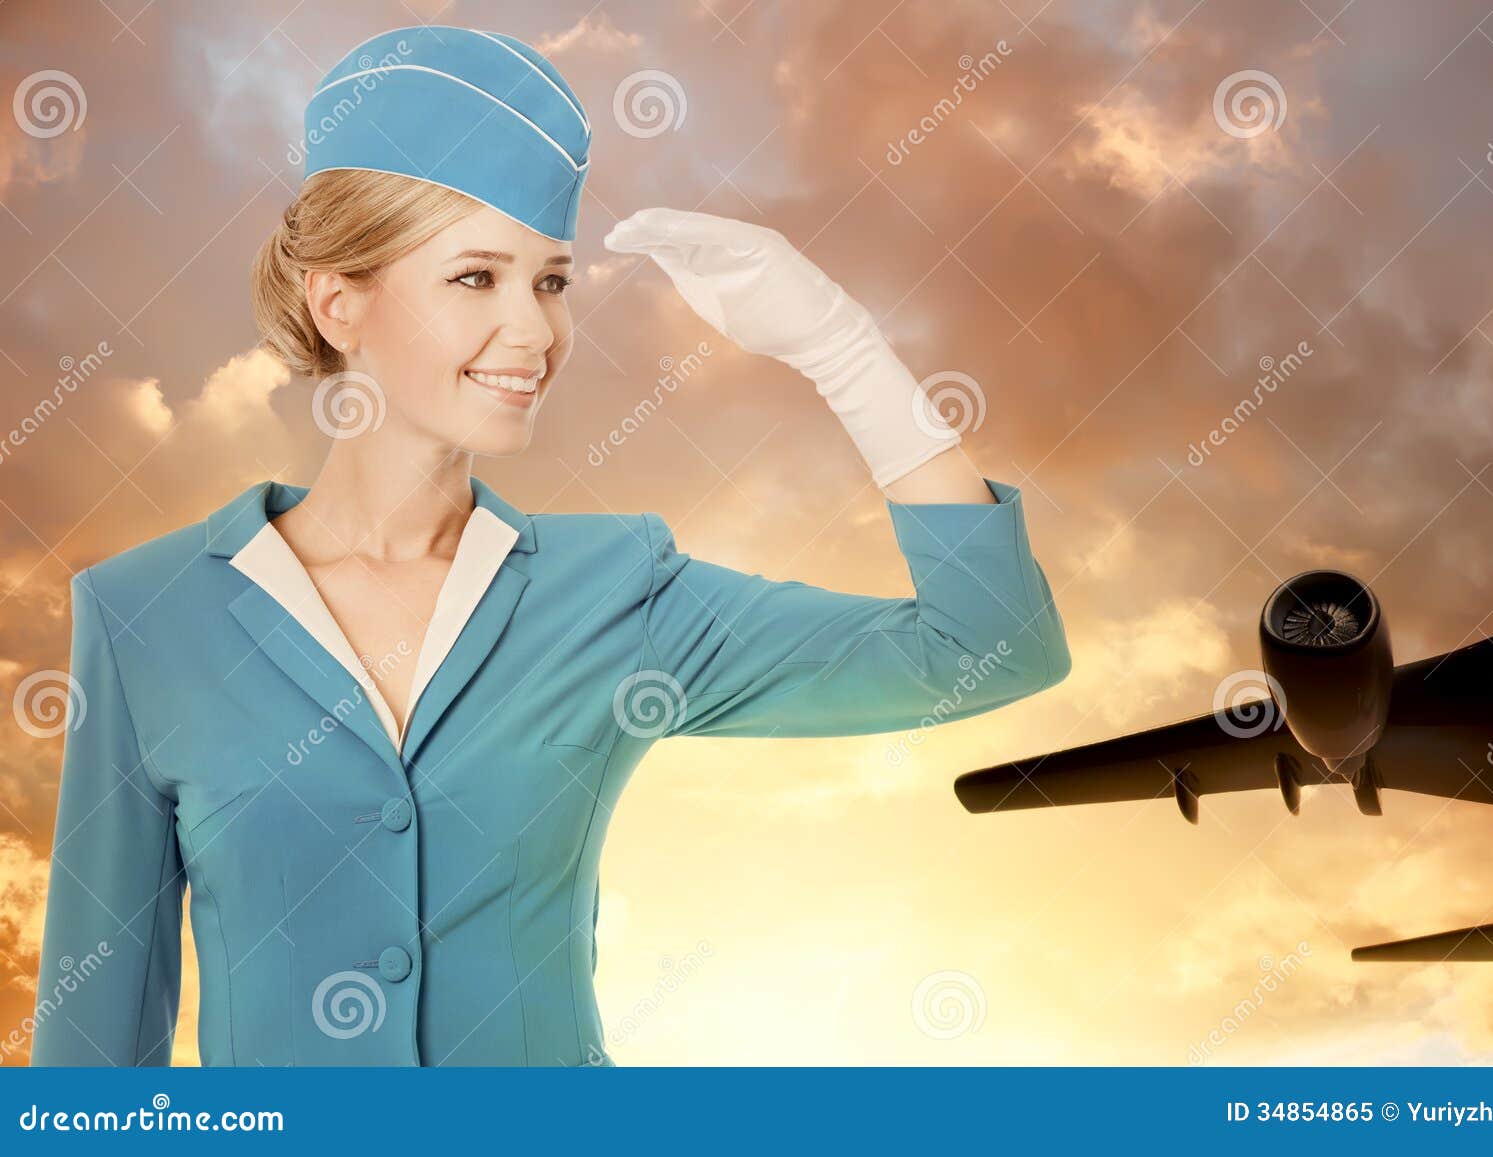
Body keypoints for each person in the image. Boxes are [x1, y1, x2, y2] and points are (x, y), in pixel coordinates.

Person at [29, 24, 1070, 1067]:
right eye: (477, 278)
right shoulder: (146, 615)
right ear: (339, 300)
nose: (535, 331)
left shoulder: (614, 592)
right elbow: (95, 1051)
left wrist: (839, 346)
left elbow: (984, 645)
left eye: (553, 281)